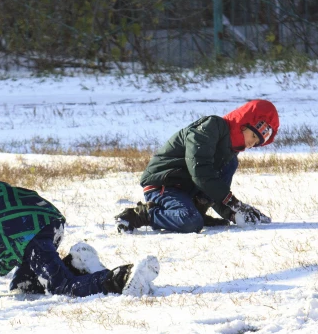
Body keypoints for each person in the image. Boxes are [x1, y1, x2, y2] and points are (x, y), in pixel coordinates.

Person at [0, 163, 159, 299]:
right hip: (38, 225)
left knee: (61, 288)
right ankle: (77, 264)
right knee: (23, 288)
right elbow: (1, 237)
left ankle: (123, 278)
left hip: (33, 231)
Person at [115, 99, 280, 234]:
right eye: (253, 136)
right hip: (164, 184)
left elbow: (214, 187)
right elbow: (201, 172)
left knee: (230, 164)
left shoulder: (230, 153)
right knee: (191, 222)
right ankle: (139, 215)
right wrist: (234, 203)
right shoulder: (210, 127)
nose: (252, 144)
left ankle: (197, 212)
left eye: (257, 143)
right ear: (244, 123)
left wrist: (234, 214)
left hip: (187, 188)